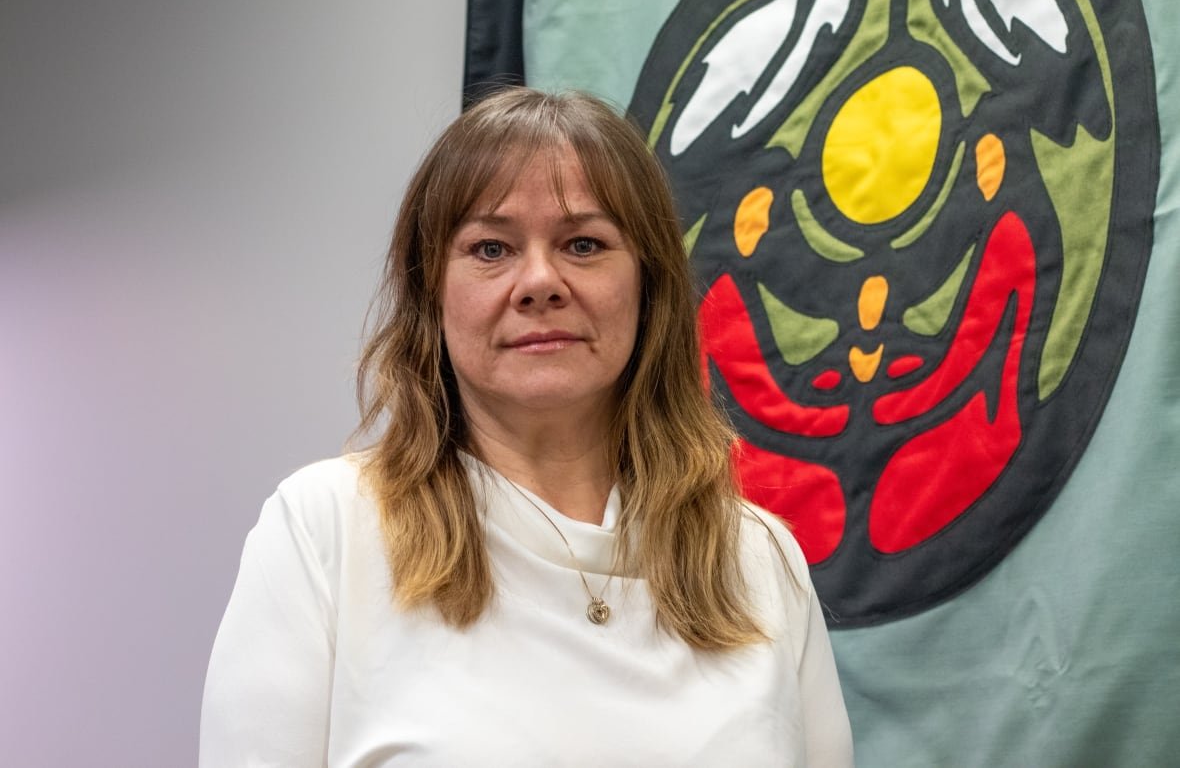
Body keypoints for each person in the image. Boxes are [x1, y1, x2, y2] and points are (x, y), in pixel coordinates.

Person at [199, 87, 853, 767]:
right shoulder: (324, 530)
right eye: (490, 248)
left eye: (583, 243)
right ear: (432, 294)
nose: (539, 281)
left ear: (648, 287)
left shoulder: (760, 560)